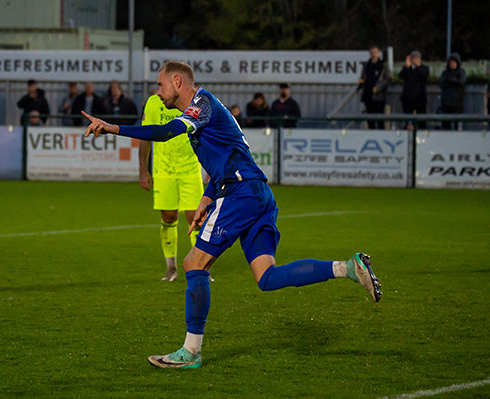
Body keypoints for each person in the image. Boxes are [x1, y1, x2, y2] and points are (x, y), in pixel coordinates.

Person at [82, 60, 382, 369]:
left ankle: (191, 352)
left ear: (177, 81)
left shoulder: (201, 104)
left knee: (193, 263)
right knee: (266, 277)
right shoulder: (206, 109)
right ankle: (347, 267)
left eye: (160, 85)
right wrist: (206, 197)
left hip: (240, 193)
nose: (158, 92)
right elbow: (229, 155)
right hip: (257, 193)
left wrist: (113, 127)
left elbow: (166, 131)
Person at [139, 93, 208, 282]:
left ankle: (199, 268)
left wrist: (210, 166)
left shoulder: (195, 102)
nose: (161, 87)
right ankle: (171, 268)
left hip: (190, 170)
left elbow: (206, 133)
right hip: (163, 170)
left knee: (196, 218)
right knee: (168, 217)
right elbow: (145, 136)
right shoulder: (153, 103)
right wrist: (143, 171)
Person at [358, 46, 391, 130]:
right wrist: (361, 83)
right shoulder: (366, 65)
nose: (374, 55)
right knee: (370, 119)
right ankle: (371, 133)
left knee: (380, 119)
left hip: (379, 97)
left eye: (376, 52)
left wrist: (378, 88)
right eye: (372, 53)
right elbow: (363, 78)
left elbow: (387, 79)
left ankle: (381, 135)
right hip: (368, 96)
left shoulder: (383, 65)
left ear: (379, 53)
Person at [399, 51, 430, 129]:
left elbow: (425, 75)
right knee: (408, 118)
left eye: (417, 58)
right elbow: (401, 76)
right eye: (413, 58)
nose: (415, 60)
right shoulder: (407, 69)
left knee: (421, 118)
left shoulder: (424, 68)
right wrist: (407, 66)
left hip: (420, 98)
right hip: (408, 98)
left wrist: (417, 67)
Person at [439, 53, 467, 131]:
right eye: (451, 62)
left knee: (457, 125)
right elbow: (441, 83)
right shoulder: (445, 73)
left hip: (457, 103)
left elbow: (461, 82)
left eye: (454, 62)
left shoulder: (461, 72)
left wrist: (450, 81)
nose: (452, 64)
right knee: (445, 125)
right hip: (446, 103)